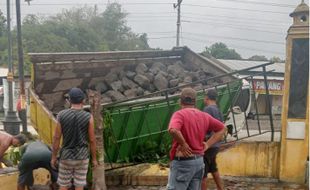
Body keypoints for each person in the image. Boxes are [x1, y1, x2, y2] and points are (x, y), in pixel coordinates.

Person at [167, 87, 225, 190]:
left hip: (183, 162)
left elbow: (173, 130)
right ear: (195, 101)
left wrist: (183, 144)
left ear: (180, 101)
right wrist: (207, 144)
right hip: (198, 162)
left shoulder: (179, 114)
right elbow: (222, 129)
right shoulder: (204, 115)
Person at [51, 87, 98, 190]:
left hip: (66, 157)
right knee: (79, 185)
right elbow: (92, 140)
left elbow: (57, 137)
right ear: (83, 100)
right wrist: (94, 159)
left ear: (69, 101)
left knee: (63, 185)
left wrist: (54, 157)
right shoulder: (88, 117)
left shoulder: (61, 115)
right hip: (82, 157)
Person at [201, 89, 224, 190]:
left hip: (208, 144)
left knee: (202, 173)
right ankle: (220, 188)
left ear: (207, 97)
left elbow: (204, 128)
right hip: (216, 144)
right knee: (213, 168)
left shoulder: (207, 109)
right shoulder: (218, 110)